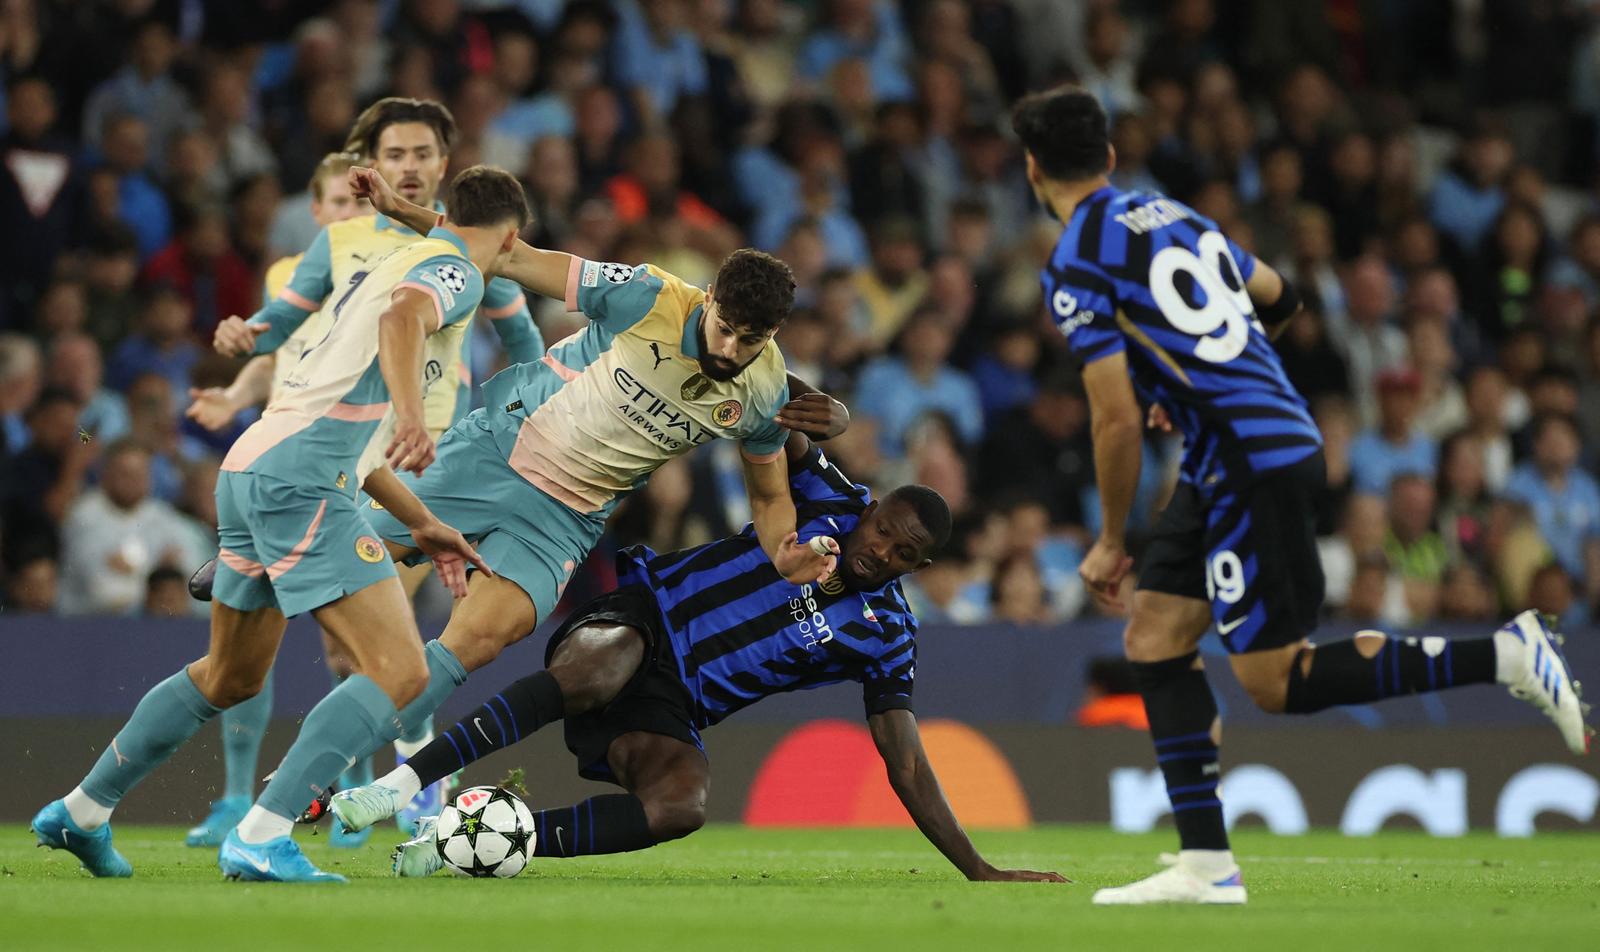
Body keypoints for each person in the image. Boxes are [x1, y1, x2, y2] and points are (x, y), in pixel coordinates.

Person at [1012, 86, 1589, 906]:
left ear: (1032, 169)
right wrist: (1216, 382)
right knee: (1154, 635)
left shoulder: (1075, 260)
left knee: (1275, 683)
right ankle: (1206, 866)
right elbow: (1282, 299)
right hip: (1242, 447)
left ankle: (1506, 654)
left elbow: (1112, 420)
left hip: (1250, 461)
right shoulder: (1174, 215)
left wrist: (1110, 535)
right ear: (1108, 157)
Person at [188, 165, 841, 855]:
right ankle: (253, 557)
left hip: (566, 517)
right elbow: (503, 254)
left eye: (752, 341)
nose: (731, 352)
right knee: (339, 544)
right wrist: (405, 211)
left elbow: (771, 499)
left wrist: (785, 550)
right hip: (496, 450)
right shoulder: (648, 296)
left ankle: (321, 783)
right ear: (708, 299)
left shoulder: (766, 393)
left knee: (473, 644)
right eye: (726, 329)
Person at [31, 165, 527, 884]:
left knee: (228, 675)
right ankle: (263, 834)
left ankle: (80, 812)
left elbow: (353, 432)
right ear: (511, 236)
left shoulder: (393, 259)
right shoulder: (457, 273)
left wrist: (421, 523)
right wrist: (416, 417)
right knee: (401, 670)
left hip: (253, 462)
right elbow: (402, 323)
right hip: (300, 478)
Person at [330, 424, 1063, 885]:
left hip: (676, 701)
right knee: (601, 663)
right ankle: (399, 787)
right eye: (882, 533)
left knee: (682, 805)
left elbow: (902, 759)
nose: (880, 553)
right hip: (646, 613)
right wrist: (820, 410)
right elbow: (778, 421)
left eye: (904, 554)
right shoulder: (831, 498)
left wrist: (978, 869)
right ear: (870, 511)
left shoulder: (889, 634)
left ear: (919, 566)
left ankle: (463, 843)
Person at [187, 98, 548, 836]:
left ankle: (412, 803)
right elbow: (278, 323)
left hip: (425, 457)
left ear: (444, 164)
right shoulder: (340, 241)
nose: (410, 167)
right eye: (396, 155)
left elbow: (526, 351)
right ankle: (364, 795)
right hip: (332, 448)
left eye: (422, 154)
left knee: (387, 644)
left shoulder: (475, 249)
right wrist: (244, 333)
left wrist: (509, 428)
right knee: (352, 648)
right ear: (374, 166)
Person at [178, 151, 387, 851]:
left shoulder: (389, 271)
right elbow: (275, 354)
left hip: (354, 461)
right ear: (317, 212)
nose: (349, 212)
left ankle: (347, 796)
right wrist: (237, 393)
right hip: (288, 463)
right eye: (336, 202)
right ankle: (237, 796)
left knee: (347, 648)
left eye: (359, 201)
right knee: (252, 652)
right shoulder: (295, 276)